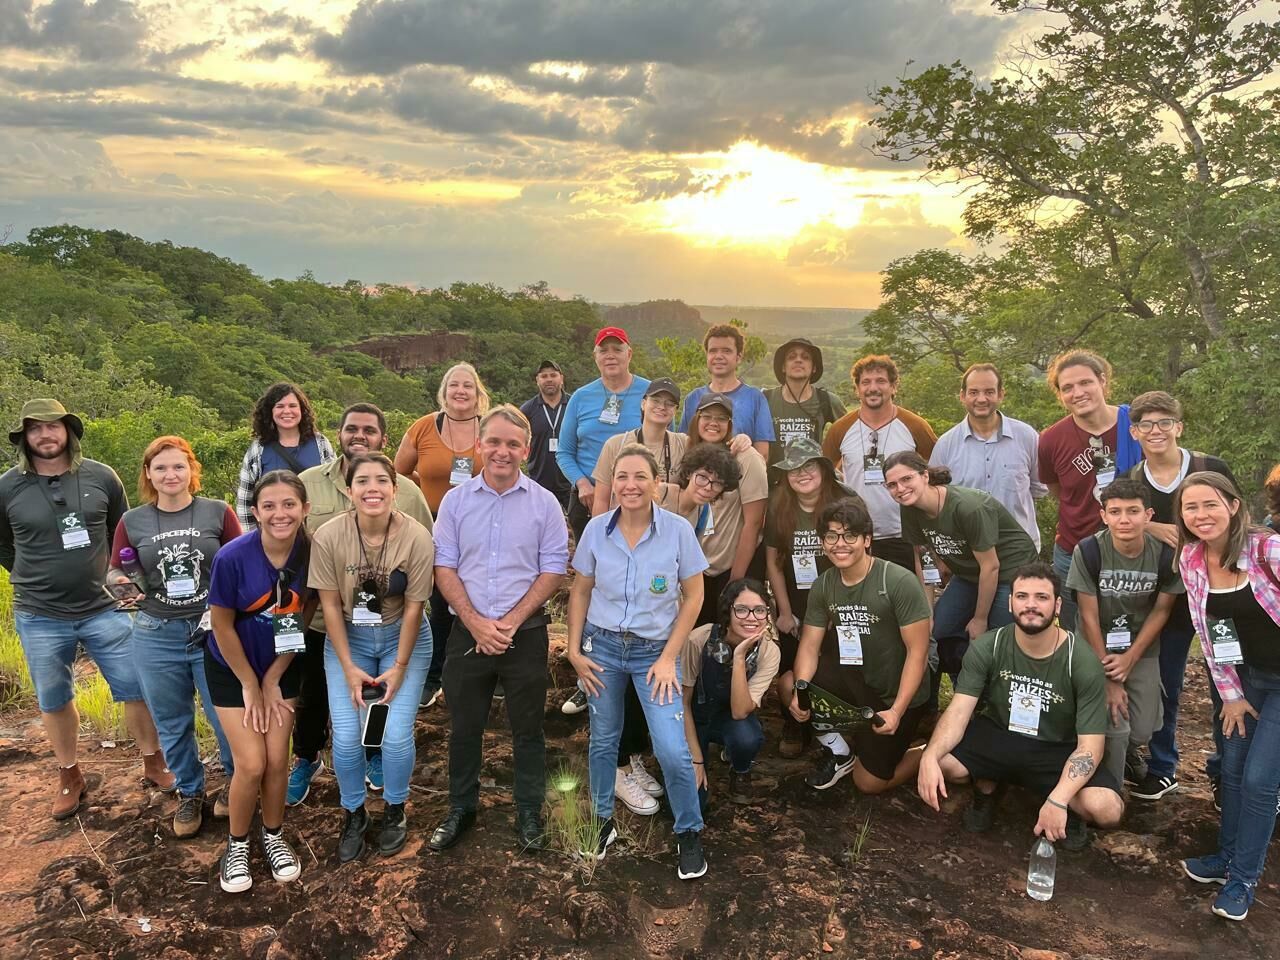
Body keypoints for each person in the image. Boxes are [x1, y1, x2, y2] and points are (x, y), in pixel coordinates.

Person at [0, 399, 171, 820]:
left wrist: (126, 581)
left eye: (53, 426)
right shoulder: (7, 487)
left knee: (135, 686)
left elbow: (122, 535)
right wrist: (34, 574)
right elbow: (4, 544)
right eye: (35, 429)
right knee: (54, 697)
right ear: (25, 437)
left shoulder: (101, 477)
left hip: (105, 606)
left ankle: (153, 761)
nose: (45, 435)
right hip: (39, 612)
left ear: (69, 432)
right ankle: (69, 774)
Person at [428, 406, 569, 852]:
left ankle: (529, 811)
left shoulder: (544, 503)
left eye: (512, 444)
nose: (502, 451)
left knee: (528, 729)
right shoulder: (455, 501)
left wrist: (507, 623)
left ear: (525, 450)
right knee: (464, 727)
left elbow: (553, 571)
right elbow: (443, 566)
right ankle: (460, 808)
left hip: (523, 635)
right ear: (479, 445)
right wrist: (475, 622)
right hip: (466, 634)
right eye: (494, 442)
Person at [567, 444, 709, 880]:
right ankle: (603, 821)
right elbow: (581, 590)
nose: (630, 485)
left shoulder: (678, 531)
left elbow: (695, 595)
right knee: (604, 739)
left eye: (640, 476)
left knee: (671, 746)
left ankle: (688, 831)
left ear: (656, 482)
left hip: (654, 653)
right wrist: (573, 651)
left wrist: (669, 658)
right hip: (602, 647)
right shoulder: (595, 530)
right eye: (622, 476)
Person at [916, 563, 1124, 850]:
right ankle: (988, 787)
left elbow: (1091, 745)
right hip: (1000, 734)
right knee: (941, 764)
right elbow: (959, 711)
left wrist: (1059, 799)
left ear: (1058, 605)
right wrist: (928, 756)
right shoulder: (989, 645)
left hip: (1057, 745)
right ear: (1010, 602)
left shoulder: (1082, 660)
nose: (1031, 605)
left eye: (1042, 597)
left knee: (1107, 809)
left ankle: (1065, 805)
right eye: (1022, 596)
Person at [288, 403, 435, 807]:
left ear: (383, 439)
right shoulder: (308, 482)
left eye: (369, 430)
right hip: (324, 619)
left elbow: (424, 548)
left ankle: (377, 764)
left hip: (389, 624)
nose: (359, 435)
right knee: (313, 698)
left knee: (377, 711)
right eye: (351, 428)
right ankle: (307, 759)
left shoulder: (409, 495)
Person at [111, 436, 241, 837]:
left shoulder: (217, 512)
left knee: (226, 718)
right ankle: (190, 791)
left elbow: (240, 564)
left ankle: (236, 782)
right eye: (161, 467)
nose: (171, 474)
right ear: (148, 474)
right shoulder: (133, 521)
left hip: (212, 631)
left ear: (191, 471)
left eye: (178, 466)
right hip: (156, 632)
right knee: (172, 721)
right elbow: (115, 568)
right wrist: (120, 583)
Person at [311, 453, 434, 862]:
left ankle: (395, 808)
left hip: (406, 640)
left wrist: (398, 668)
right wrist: (348, 667)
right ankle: (353, 813)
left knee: (395, 735)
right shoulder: (329, 536)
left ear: (395, 489)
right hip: (350, 640)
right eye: (362, 481)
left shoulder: (416, 537)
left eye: (382, 480)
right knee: (347, 738)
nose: (372, 488)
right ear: (349, 490)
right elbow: (329, 607)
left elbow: (416, 607)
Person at [1123, 390, 1237, 802]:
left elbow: (1236, 517)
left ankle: (1228, 773)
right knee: (1166, 683)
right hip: (1168, 596)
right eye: (1147, 425)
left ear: (1178, 426)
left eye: (1164, 422)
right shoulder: (1135, 478)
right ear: (1134, 432)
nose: (1157, 431)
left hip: (1220, 596)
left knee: (1228, 684)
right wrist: (1153, 527)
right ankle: (1162, 767)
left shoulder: (1209, 467)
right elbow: (1127, 520)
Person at [1176, 472, 1280, 922]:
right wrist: (1231, 696)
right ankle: (1227, 856)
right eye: (1191, 508)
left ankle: (1244, 879)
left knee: (1260, 780)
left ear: (1234, 506)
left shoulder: (1267, 550)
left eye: (1210, 505)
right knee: (1233, 768)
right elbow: (1209, 631)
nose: (1201, 516)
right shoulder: (1191, 558)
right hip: (1246, 678)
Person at [205, 470, 311, 893]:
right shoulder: (232, 557)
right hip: (232, 668)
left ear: (305, 509)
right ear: (255, 511)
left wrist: (273, 678)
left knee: (278, 761)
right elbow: (221, 626)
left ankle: (273, 835)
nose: (279, 513)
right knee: (251, 763)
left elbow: (301, 617)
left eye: (289, 504)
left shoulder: (311, 552)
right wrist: (251, 683)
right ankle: (236, 844)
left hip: (282, 666)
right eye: (269, 505)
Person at [788, 498, 932, 795]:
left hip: (896, 692)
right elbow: (809, 645)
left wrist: (897, 710)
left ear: (867, 540)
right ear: (822, 542)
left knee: (868, 783)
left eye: (849, 535)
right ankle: (841, 753)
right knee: (789, 683)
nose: (840, 544)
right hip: (855, 678)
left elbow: (918, 653)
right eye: (831, 536)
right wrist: (800, 691)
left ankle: (928, 752)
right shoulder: (824, 584)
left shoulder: (897, 581)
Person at [1066, 478, 1183, 795]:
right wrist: (1109, 677)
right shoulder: (1089, 551)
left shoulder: (1164, 556)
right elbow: (1088, 615)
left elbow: (1161, 611)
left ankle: (1126, 753)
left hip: (1140, 646)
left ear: (1149, 515)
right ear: (1103, 516)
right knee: (1113, 719)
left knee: (1142, 728)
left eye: (1133, 511)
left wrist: (1130, 659)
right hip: (1095, 643)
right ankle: (1109, 791)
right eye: (1115, 512)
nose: (1124, 520)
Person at [884, 451, 1037, 692]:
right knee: (938, 631)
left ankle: (995, 696)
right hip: (969, 574)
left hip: (1011, 572)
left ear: (925, 475)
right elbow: (924, 560)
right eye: (891, 485)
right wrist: (927, 611)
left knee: (992, 638)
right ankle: (963, 686)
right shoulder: (910, 509)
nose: (900, 489)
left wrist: (979, 618)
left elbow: (991, 566)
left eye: (906, 479)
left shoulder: (968, 507)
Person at [395, 362, 490, 706]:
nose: (460, 391)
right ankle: (434, 676)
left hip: (482, 526)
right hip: (433, 525)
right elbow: (399, 475)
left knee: (481, 595)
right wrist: (424, 493)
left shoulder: (488, 428)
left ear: (479, 394)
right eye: (454, 385)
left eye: (468, 385)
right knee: (437, 602)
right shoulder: (423, 427)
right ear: (444, 392)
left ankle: (487, 670)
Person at [1037, 350, 1143, 630]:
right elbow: (1059, 491)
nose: (1078, 392)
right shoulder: (1051, 440)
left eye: (1085, 383)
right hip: (1075, 550)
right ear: (1060, 395)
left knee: (1130, 629)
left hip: (1135, 550)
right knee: (1076, 632)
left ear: (1103, 382)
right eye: (1067, 387)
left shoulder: (1137, 426)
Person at [764, 438, 852, 757]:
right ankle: (796, 723)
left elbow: (860, 559)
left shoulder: (845, 499)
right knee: (793, 670)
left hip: (840, 600)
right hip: (798, 599)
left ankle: (839, 724)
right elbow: (774, 560)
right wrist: (784, 611)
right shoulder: (779, 504)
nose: (802, 474)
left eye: (809, 466)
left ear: (824, 470)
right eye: (794, 469)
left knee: (839, 664)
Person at [823, 355, 938, 572]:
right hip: (857, 535)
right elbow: (825, 476)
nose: (873, 388)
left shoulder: (915, 426)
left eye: (881, 381)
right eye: (866, 382)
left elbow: (937, 473)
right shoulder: (840, 430)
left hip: (906, 535)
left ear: (894, 387)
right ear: (857, 389)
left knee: (905, 599)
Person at [670, 394, 768, 625]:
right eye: (707, 416)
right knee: (694, 635)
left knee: (729, 634)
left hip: (730, 565)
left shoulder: (746, 458)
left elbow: (753, 523)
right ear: (696, 419)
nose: (713, 423)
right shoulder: (685, 450)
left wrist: (735, 581)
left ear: (730, 425)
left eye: (721, 418)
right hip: (693, 565)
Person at [681, 579, 781, 805]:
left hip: (731, 717)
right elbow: (682, 703)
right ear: (728, 611)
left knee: (747, 738)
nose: (751, 617)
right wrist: (696, 760)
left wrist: (738, 658)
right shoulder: (699, 639)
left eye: (759, 610)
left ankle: (740, 769)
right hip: (694, 718)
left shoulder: (769, 652)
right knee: (691, 803)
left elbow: (739, 711)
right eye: (742, 610)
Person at [929, 363, 1046, 550]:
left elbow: (1038, 488)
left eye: (989, 392)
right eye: (974, 392)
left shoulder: (1027, 436)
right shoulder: (946, 445)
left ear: (1001, 394)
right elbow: (935, 500)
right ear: (962, 396)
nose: (981, 399)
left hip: (1019, 549)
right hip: (968, 551)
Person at [556, 326, 650, 543]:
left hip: (636, 497)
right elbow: (564, 452)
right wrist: (582, 484)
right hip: (587, 499)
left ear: (629, 354)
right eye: (603, 350)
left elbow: (664, 445)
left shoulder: (650, 394)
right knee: (591, 568)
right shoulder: (580, 397)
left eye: (617, 349)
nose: (610, 356)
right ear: (595, 356)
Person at [235, 383, 335, 529]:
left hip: (316, 532)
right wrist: (252, 538)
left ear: (302, 410)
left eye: (293, 406)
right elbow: (245, 499)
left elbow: (333, 486)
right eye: (280, 406)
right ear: (270, 411)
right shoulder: (258, 449)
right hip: (275, 532)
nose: (287, 411)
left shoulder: (320, 443)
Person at [591, 378, 689, 516]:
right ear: (643, 404)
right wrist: (600, 534)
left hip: (667, 530)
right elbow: (601, 500)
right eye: (656, 400)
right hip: (623, 528)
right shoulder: (615, 445)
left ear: (675, 411)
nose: (662, 407)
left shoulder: (684, 443)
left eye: (669, 403)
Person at [678, 324, 775, 458]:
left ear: (739, 357)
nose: (719, 356)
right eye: (713, 351)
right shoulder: (693, 398)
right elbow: (685, 448)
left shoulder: (755, 398)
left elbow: (762, 455)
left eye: (726, 351)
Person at [762, 337, 847, 477]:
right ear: (783, 367)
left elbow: (853, 438)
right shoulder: (766, 399)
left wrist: (835, 471)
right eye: (791, 357)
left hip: (812, 483)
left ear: (814, 367)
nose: (798, 360)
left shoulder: (826, 400)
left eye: (806, 357)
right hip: (775, 486)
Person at [519, 360, 572, 510]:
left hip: (572, 483)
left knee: (578, 529)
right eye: (544, 376)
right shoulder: (527, 410)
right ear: (537, 380)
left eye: (553, 375)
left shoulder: (574, 404)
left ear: (561, 378)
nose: (549, 379)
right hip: (539, 482)